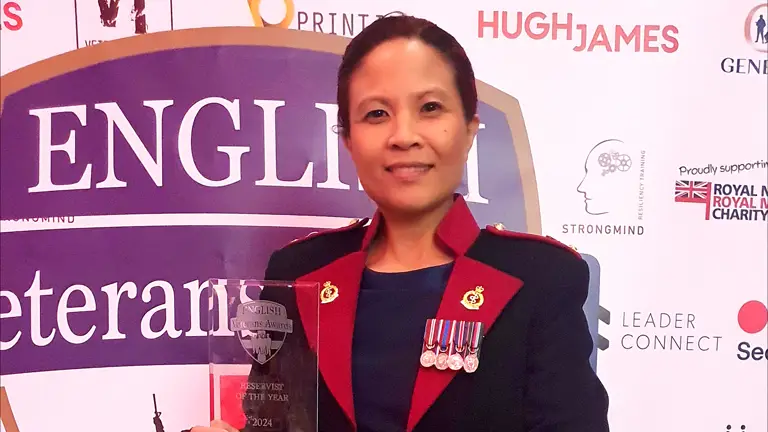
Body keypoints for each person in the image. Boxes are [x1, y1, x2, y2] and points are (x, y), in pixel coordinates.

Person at [191, 14, 609, 432]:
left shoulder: (541, 278)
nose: (403, 135)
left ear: (468, 130)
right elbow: (273, 424)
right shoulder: (298, 273)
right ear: (349, 142)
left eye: (430, 108)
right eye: (376, 114)